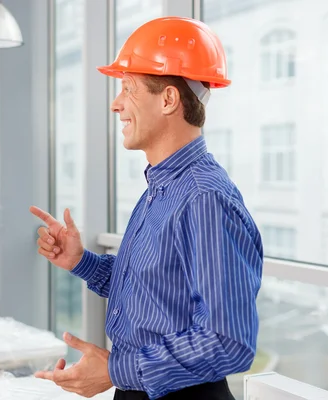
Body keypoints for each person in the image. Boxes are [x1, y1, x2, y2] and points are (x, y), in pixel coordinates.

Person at [30, 16, 263, 400]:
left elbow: (229, 341)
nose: (116, 104)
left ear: (169, 99)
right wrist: (80, 261)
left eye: (128, 89)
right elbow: (156, 293)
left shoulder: (204, 198)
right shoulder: (162, 187)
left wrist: (114, 370)